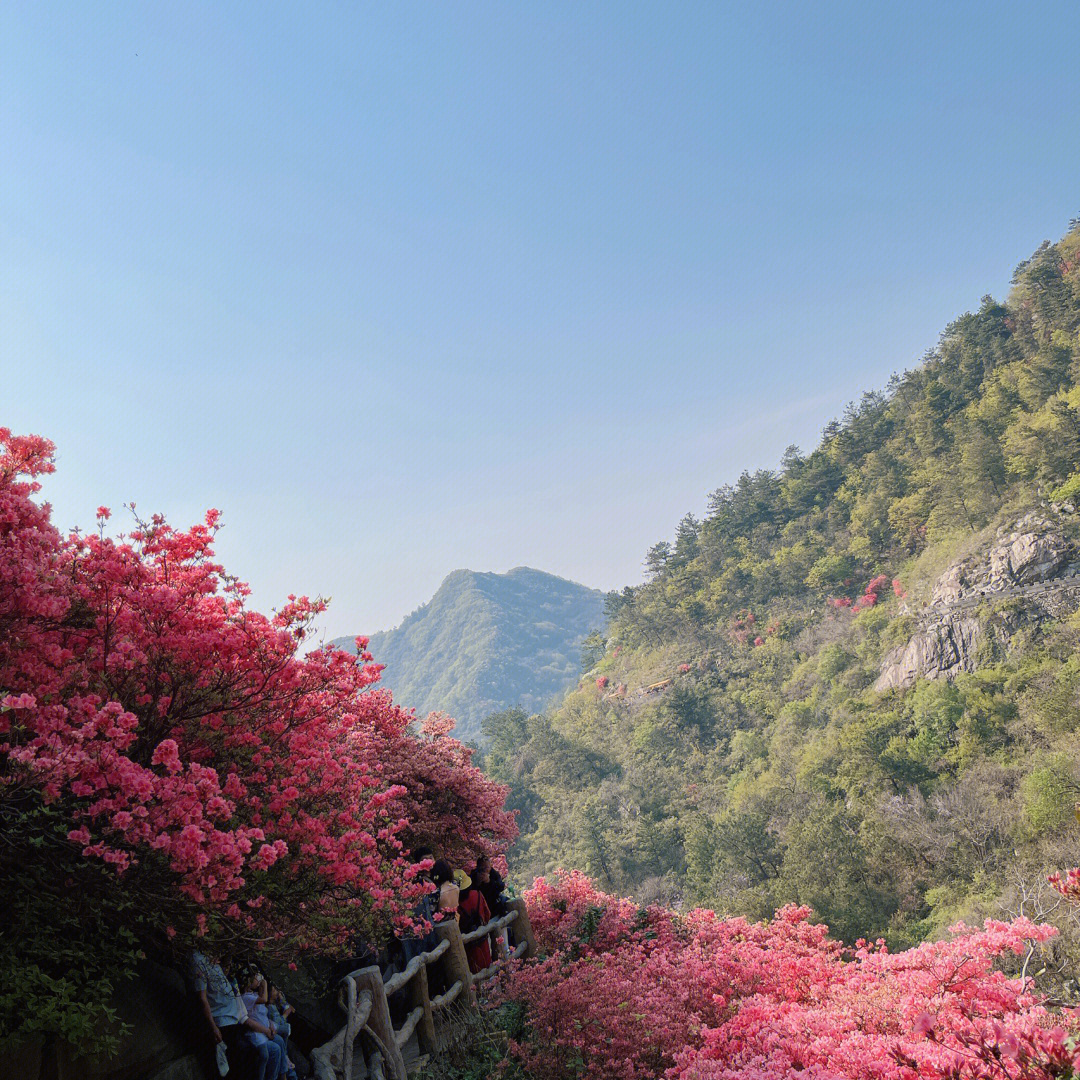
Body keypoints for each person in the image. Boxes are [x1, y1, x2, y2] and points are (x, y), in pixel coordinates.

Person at [189, 950, 257, 1079]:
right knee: (236, 1063)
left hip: (233, 1018)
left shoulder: (212, 957)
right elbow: (202, 998)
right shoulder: (197, 960)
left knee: (246, 1057)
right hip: (222, 1020)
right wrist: (213, 1027)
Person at [239, 969, 288, 1080]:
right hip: (257, 1034)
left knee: (279, 1041)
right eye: (256, 978)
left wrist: (270, 1026)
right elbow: (264, 999)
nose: (259, 982)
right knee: (272, 1050)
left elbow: (264, 1014)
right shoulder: (246, 997)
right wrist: (265, 984)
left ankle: (281, 1074)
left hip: (265, 1031)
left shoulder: (254, 995)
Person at [457, 871, 492, 975]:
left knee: (474, 969)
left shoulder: (456, 904)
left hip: (468, 942)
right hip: (482, 936)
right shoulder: (477, 894)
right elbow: (487, 914)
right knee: (487, 962)